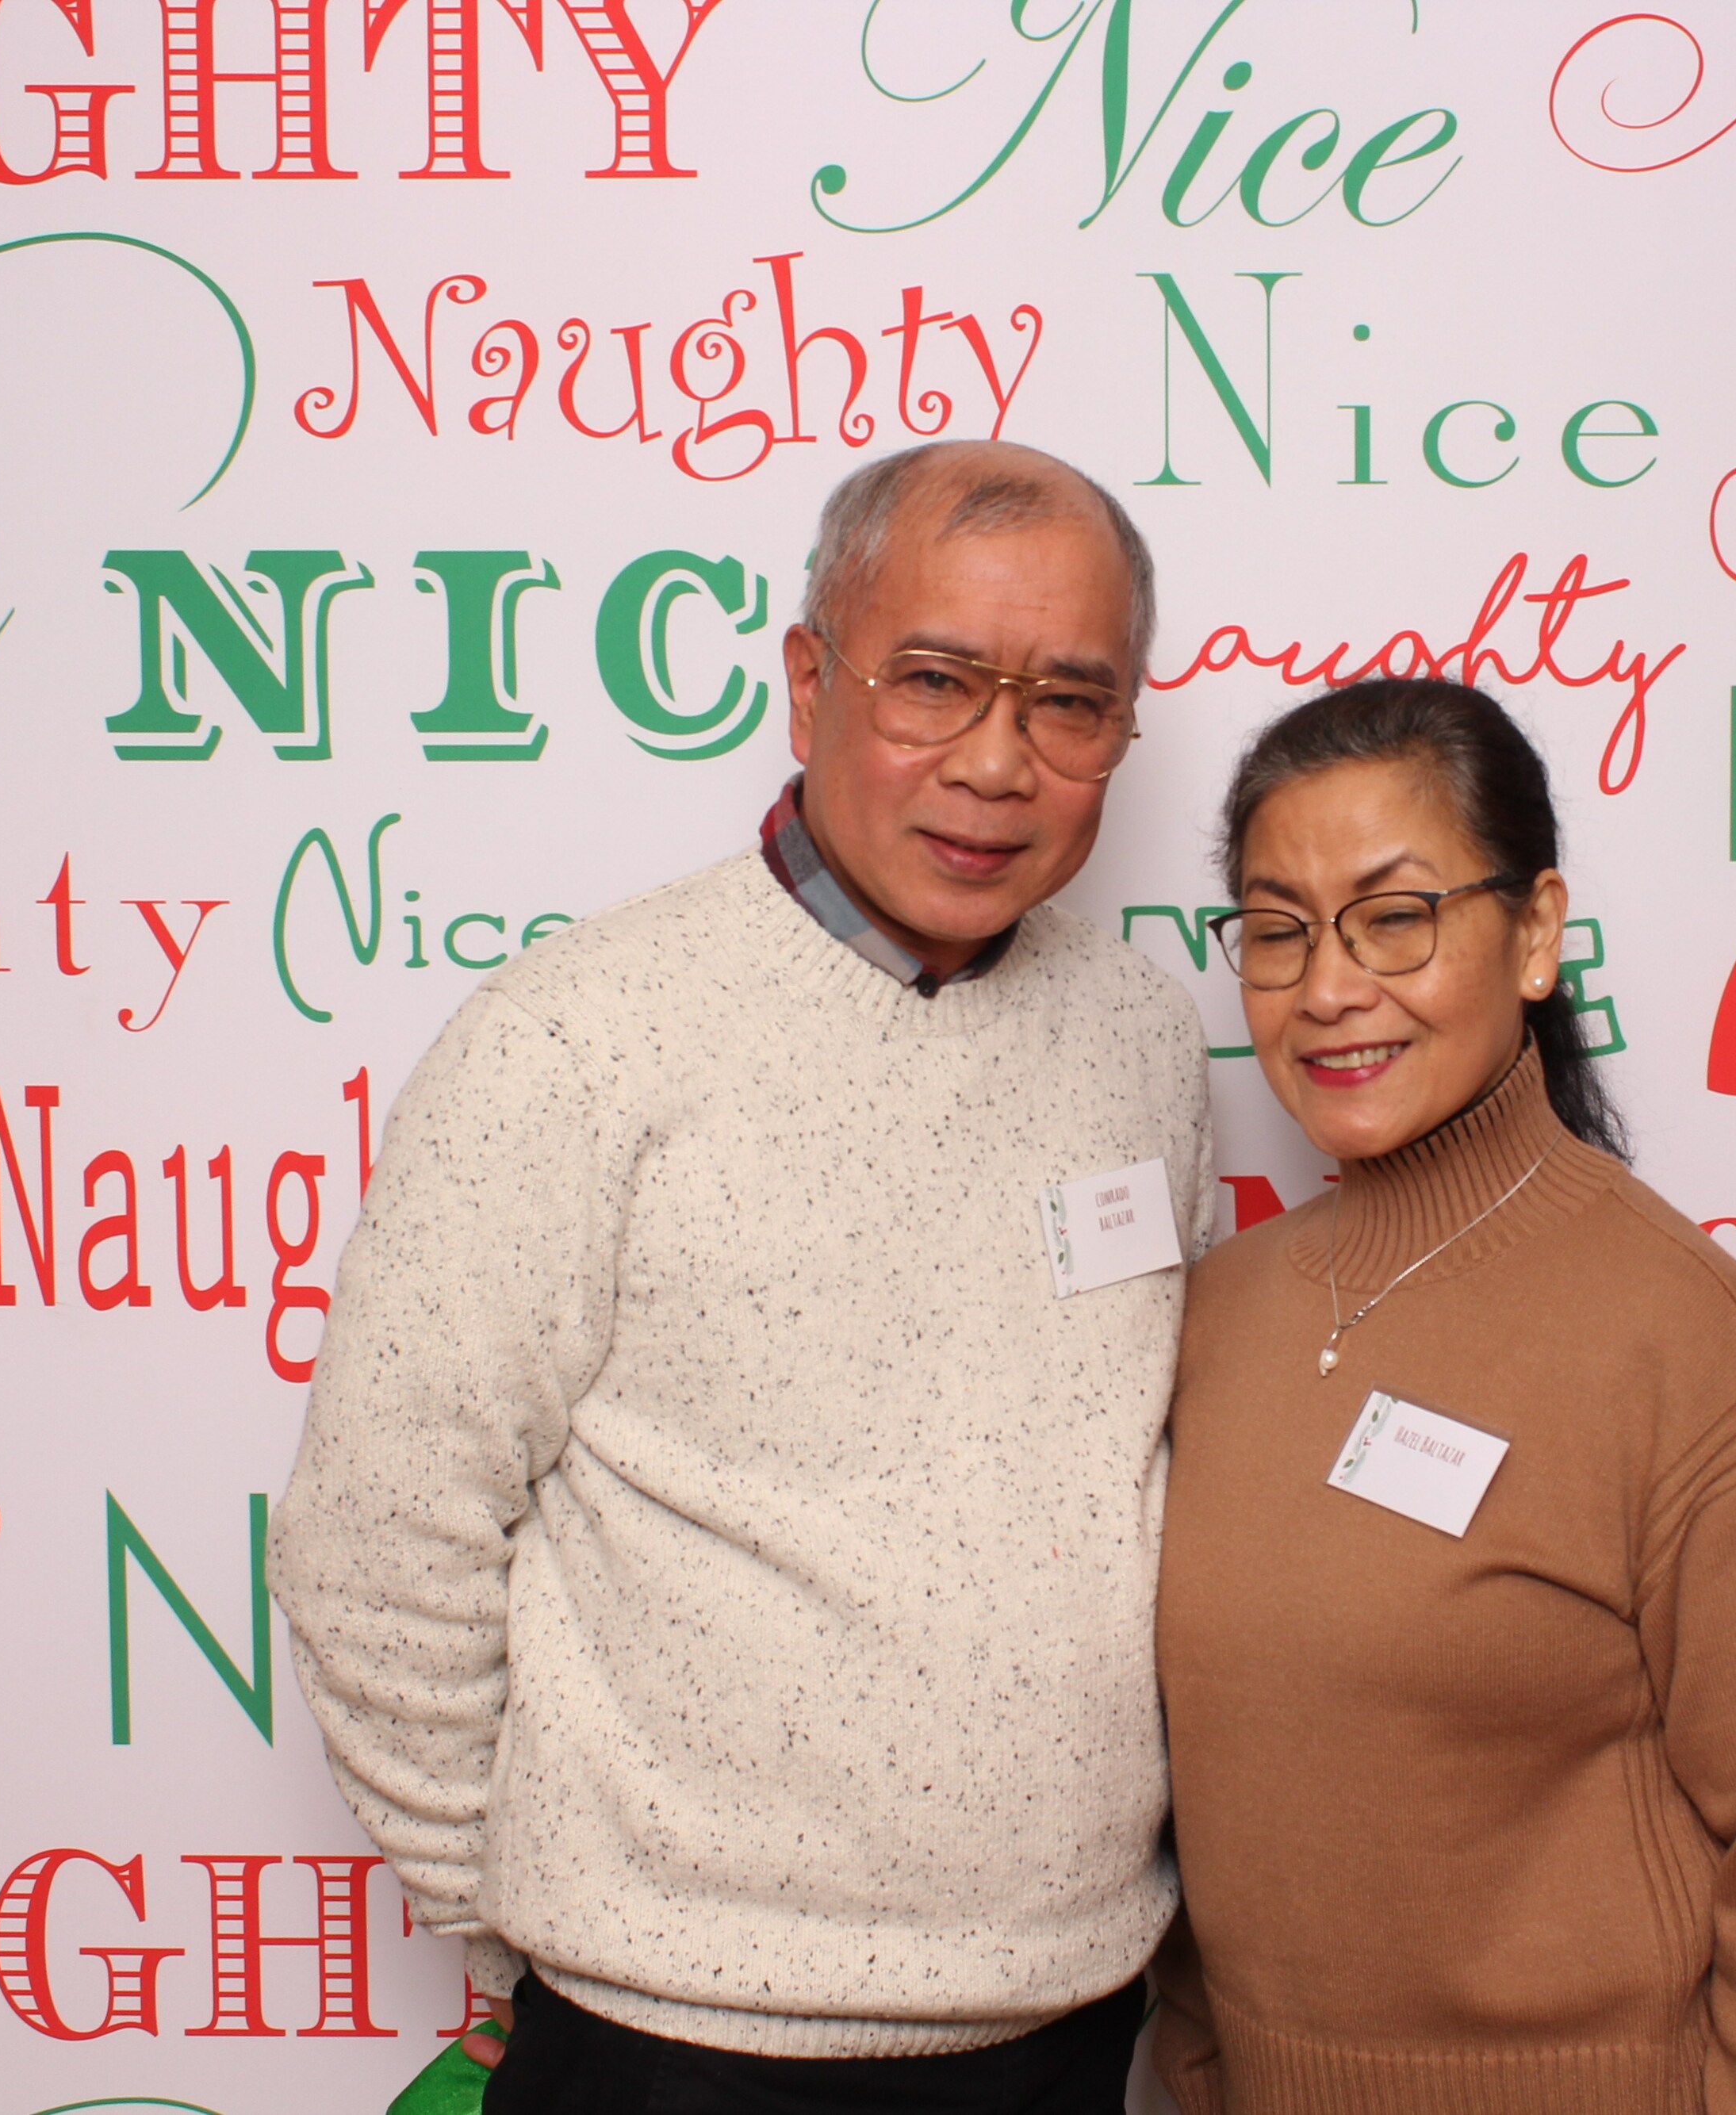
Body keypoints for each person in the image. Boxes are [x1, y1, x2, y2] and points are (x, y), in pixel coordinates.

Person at [270, 440, 1217, 2115]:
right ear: (808, 679)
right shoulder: (574, 1038)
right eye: (934, 681)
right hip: (672, 2045)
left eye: (1070, 704)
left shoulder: (1143, 1036)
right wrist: (540, 1920)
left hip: (1070, 2020)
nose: (997, 762)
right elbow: (379, 1534)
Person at [1150, 680, 1736, 2114]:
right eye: (1279, 929)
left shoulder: (1683, 1347)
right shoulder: (1221, 1316)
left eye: (1395, 917)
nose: (1328, 989)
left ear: (1538, 932)